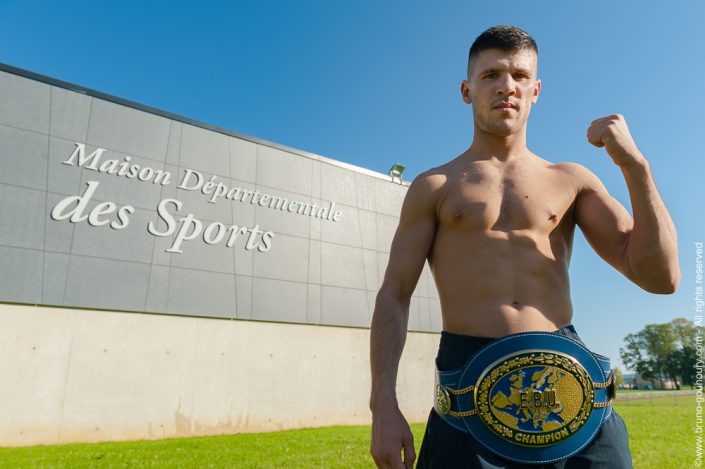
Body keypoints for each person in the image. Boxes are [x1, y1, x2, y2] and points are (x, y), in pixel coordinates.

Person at [368, 25, 680, 469]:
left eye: (519, 75)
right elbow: (393, 296)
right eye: (491, 74)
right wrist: (383, 406)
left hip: (573, 393)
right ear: (466, 90)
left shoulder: (570, 180)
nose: (506, 87)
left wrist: (636, 167)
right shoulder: (433, 186)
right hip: (468, 393)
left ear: (536, 90)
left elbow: (661, 278)